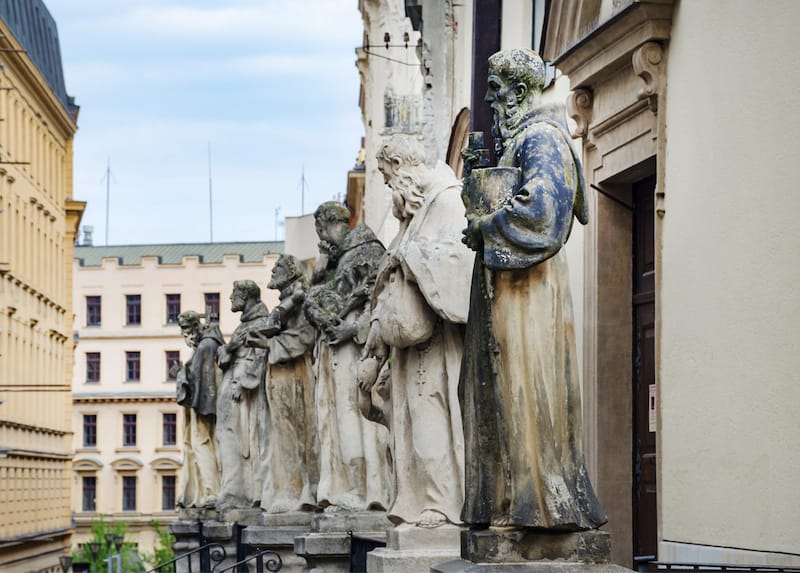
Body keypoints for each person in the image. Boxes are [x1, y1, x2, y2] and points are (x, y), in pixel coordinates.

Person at [460, 48, 606, 531]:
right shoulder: (520, 141)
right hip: (514, 290)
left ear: (520, 93)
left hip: (528, 295)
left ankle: (537, 506)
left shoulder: (540, 138)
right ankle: (511, 502)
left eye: (496, 93)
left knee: (523, 388)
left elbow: (542, 212)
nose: (489, 101)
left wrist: (486, 228)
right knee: (502, 391)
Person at [359, 134, 472, 528]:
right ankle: (416, 500)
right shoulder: (412, 215)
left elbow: (462, 262)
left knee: (432, 418)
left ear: (404, 169)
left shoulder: (448, 201)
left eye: (389, 178)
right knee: (410, 423)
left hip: (438, 345)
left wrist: (413, 258)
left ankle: (443, 505)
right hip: (409, 346)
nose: (390, 187)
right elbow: (386, 282)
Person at [304, 201, 392, 512]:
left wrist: (352, 328)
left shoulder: (368, 250)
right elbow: (315, 301)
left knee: (358, 421)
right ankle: (347, 488)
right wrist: (323, 263)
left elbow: (381, 304)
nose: (322, 237)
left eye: (322, 230)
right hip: (335, 354)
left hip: (358, 351)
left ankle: (368, 490)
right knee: (339, 423)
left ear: (335, 224)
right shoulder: (336, 260)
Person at [247, 254, 319, 513]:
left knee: (299, 434)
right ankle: (286, 489)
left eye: (278, 267)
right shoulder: (289, 302)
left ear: (291, 272)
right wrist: (287, 303)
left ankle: (299, 491)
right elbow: (263, 328)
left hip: (296, 374)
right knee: (279, 436)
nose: (273, 271)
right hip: (278, 373)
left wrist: (271, 344)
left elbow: (306, 336)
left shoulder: (304, 301)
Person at [215, 280, 270, 511]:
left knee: (243, 441)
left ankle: (241, 492)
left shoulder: (260, 322)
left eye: (234, 294)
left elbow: (260, 355)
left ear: (246, 296)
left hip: (242, 390)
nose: (230, 299)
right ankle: (232, 490)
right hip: (230, 385)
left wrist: (245, 383)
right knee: (227, 439)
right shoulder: (243, 325)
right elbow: (223, 357)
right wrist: (228, 348)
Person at [175, 310, 223, 509]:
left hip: (203, 405)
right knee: (194, 446)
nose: (184, 334)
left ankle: (211, 492)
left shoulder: (206, 346)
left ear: (195, 326)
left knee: (201, 445)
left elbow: (201, 378)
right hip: (200, 404)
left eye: (186, 329)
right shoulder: (205, 345)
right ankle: (200, 493)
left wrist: (181, 374)